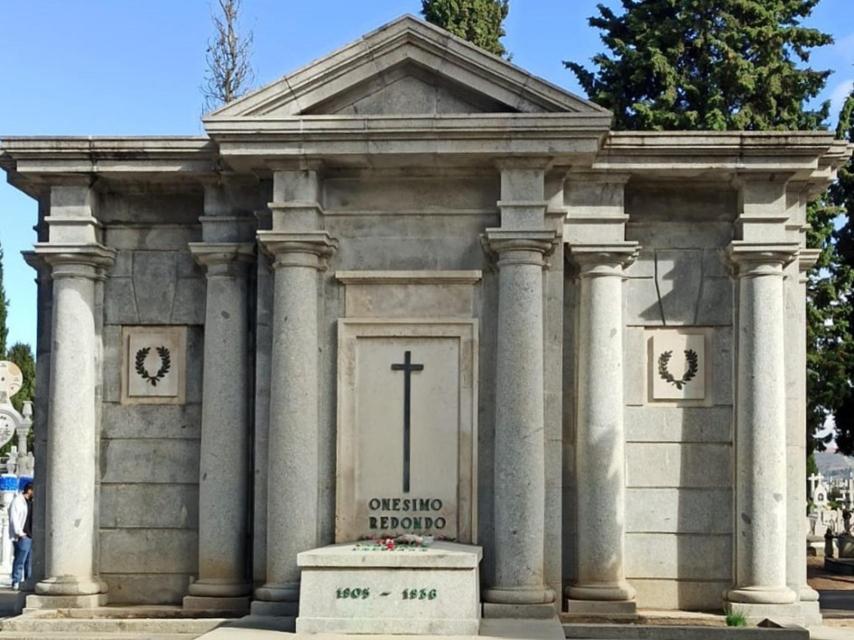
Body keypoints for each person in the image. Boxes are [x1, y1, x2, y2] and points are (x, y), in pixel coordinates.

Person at [8, 483, 33, 590]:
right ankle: (16, 580)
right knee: (20, 559)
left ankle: (28, 580)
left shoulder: (31, 502)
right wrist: (19, 532)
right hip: (23, 535)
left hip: (31, 535)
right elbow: (14, 517)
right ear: (29, 490)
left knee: (29, 561)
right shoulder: (18, 501)